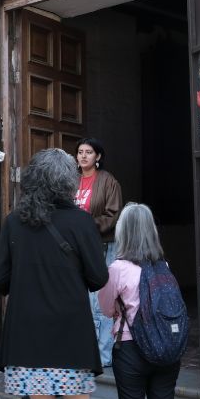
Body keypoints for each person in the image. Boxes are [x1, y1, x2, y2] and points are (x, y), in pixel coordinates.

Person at [0, 148, 108, 399]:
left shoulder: (14, 222)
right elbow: (99, 278)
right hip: (71, 331)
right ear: (68, 181)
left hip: (26, 333)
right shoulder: (81, 222)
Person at [97, 203, 180, 399]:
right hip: (166, 348)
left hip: (130, 349)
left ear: (123, 233)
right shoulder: (164, 266)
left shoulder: (117, 269)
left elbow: (106, 309)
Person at [74, 137, 122, 367]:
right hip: (74, 248)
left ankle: (103, 355)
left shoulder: (107, 181)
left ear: (98, 157)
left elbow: (112, 214)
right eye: (80, 152)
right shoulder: (70, 180)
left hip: (101, 246)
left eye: (89, 152)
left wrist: (86, 225)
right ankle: (85, 350)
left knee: (100, 302)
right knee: (80, 300)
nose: (83, 156)